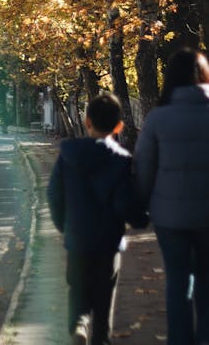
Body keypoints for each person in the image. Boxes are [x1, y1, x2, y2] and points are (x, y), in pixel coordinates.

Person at [47, 93, 147, 345]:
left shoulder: (67, 156)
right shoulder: (121, 162)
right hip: (108, 242)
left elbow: (54, 195)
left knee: (78, 291)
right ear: (119, 126)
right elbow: (125, 202)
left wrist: (64, 226)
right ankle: (99, 338)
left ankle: (79, 326)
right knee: (104, 299)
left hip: (77, 239)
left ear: (86, 120)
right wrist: (139, 219)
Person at [133, 47, 209, 345]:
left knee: (178, 283)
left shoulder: (157, 118)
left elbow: (144, 169)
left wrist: (138, 208)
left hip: (170, 219)